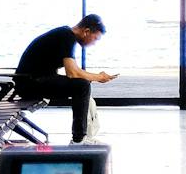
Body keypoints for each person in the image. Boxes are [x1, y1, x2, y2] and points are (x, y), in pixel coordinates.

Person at [13, 15, 113, 144]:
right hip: (28, 84)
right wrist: (99, 77)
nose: (94, 43)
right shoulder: (66, 37)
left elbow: (75, 71)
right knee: (81, 86)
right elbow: (72, 73)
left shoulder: (65, 34)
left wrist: (94, 77)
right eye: (95, 38)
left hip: (33, 81)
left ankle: (83, 136)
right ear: (86, 31)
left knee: (82, 85)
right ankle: (78, 140)